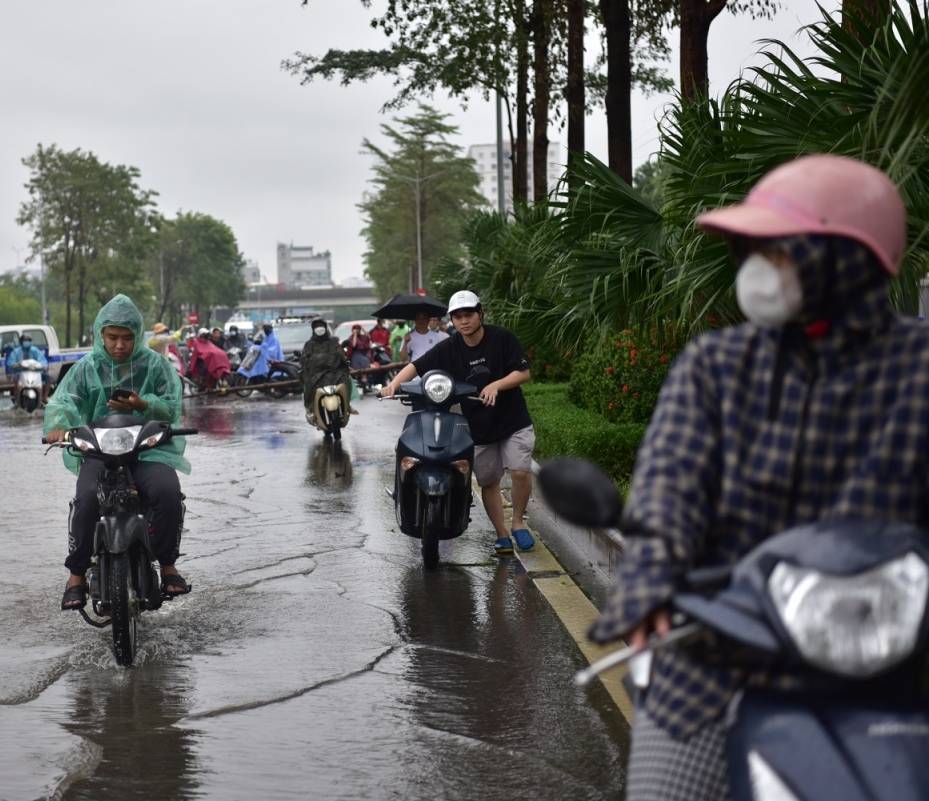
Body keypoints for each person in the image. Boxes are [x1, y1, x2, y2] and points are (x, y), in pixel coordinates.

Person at [589, 154, 919, 800]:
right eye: (753, 250)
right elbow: (668, 487)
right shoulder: (716, 364)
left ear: (842, 258)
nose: (757, 269)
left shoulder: (919, 368)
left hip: (890, 665)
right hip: (718, 657)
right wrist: (650, 581)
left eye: (779, 251)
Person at [44, 295, 192, 609]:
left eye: (127, 338)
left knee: (167, 491)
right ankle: (76, 576)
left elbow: (172, 405)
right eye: (113, 338)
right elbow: (63, 401)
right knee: (86, 499)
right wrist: (58, 424)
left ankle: (167, 566)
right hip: (99, 452)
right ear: (101, 335)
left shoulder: (156, 365)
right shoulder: (85, 368)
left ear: (138, 336)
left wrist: (143, 404)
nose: (120, 345)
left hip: (147, 451)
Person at [381, 290, 536, 555]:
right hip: (478, 425)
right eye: (458, 317)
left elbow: (523, 372)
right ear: (452, 320)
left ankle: (519, 522)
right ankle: (501, 535)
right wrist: (394, 383)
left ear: (480, 314)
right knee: (489, 482)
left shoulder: (502, 337)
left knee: (520, 472)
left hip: (512, 419)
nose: (464, 321)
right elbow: (417, 366)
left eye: (469, 315)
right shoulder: (450, 346)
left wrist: (496, 385)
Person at [299, 316, 356, 422]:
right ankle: (311, 409)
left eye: (321, 325)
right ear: (313, 329)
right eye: (316, 326)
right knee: (306, 385)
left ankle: (347, 404)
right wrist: (303, 364)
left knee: (348, 379)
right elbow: (304, 358)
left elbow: (341, 355)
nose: (319, 328)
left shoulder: (333, 342)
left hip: (334, 372)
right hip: (316, 374)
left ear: (325, 327)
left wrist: (346, 365)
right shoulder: (309, 344)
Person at [6, 333, 51, 405]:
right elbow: (10, 362)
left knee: (48, 377)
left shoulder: (35, 350)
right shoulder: (16, 351)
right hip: (21, 372)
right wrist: (16, 364)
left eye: (29, 340)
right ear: (21, 341)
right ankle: (17, 395)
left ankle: (45, 397)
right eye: (25, 340)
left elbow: (43, 360)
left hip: (35, 372)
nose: (27, 342)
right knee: (16, 377)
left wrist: (44, 366)